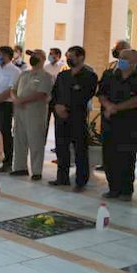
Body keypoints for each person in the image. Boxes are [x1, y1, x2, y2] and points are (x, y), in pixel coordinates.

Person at [50, 46, 98, 191]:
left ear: (81, 57)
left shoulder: (89, 76)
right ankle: (62, 178)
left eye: (71, 56)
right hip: (60, 118)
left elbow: (85, 96)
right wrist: (57, 107)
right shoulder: (63, 75)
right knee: (61, 148)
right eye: (67, 56)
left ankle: (80, 181)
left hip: (77, 117)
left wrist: (67, 109)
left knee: (80, 150)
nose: (68, 59)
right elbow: (54, 94)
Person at [97, 48, 137, 201]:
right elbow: (101, 94)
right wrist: (108, 106)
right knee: (109, 156)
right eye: (121, 57)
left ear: (134, 61)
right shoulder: (109, 75)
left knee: (126, 158)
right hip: (109, 123)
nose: (122, 60)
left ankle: (126, 190)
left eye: (126, 58)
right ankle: (113, 188)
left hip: (129, 125)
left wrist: (116, 108)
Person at [10, 49, 53, 181]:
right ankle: (20, 167)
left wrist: (22, 100)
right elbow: (13, 89)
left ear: (43, 58)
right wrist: (15, 99)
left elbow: (41, 94)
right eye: (32, 55)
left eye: (36, 55)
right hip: (20, 113)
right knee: (19, 140)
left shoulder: (46, 76)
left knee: (36, 142)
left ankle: (36, 171)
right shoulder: (24, 74)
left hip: (35, 114)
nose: (33, 57)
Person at [97, 40, 132, 172]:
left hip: (127, 118)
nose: (115, 51)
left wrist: (116, 107)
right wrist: (107, 105)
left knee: (125, 151)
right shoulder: (111, 69)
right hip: (108, 116)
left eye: (118, 49)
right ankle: (106, 166)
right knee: (107, 143)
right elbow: (101, 91)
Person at [44, 47, 67, 142]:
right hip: (47, 97)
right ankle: (42, 143)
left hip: (58, 98)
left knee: (59, 123)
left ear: (58, 55)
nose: (50, 56)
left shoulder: (63, 67)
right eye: (49, 54)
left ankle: (59, 145)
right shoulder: (46, 67)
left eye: (51, 54)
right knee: (45, 122)